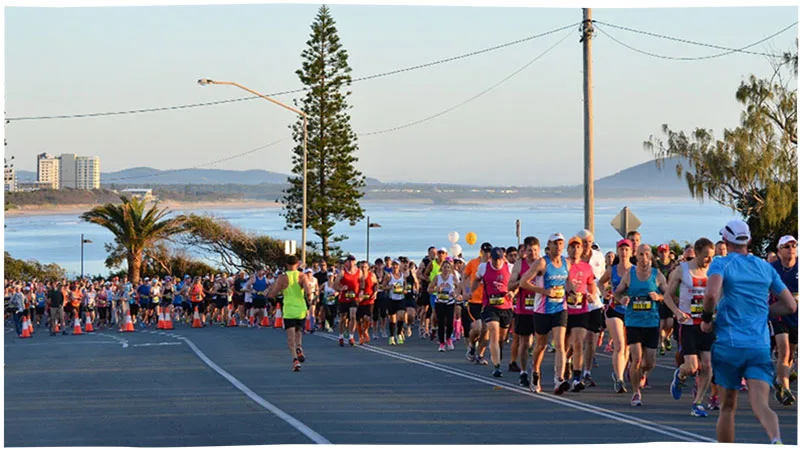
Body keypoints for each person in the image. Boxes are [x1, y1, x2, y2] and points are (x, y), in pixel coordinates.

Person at [702, 220, 796, 444]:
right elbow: (791, 306)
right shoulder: (765, 266)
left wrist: (706, 319)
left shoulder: (721, 263)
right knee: (761, 406)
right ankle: (775, 439)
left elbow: (711, 295)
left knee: (727, 407)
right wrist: (764, 312)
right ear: (749, 241)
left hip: (729, 344)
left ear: (726, 241)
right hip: (759, 345)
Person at [664, 237, 716, 417]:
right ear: (697, 252)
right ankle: (679, 375)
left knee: (708, 365)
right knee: (692, 367)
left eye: (712, 256)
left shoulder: (713, 271)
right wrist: (677, 312)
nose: (709, 260)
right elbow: (667, 297)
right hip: (687, 324)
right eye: (706, 256)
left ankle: (698, 403)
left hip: (706, 323)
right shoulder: (682, 271)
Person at [614, 244, 669, 407]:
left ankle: (641, 372)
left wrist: (658, 297)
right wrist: (621, 299)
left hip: (651, 321)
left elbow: (668, 293)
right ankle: (636, 392)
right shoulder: (629, 275)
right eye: (640, 255)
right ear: (636, 257)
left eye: (646, 254)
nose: (644, 258)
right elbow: (617, 292)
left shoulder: (657, 275)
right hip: (633, 322)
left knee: (650, 362)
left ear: (650, 256)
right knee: (637, 358)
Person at [520, 233, 570, 394]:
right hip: (542, 309)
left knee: (560, 344)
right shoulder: (542, 263)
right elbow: (523, 282)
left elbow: (567, 282)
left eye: (561, 243)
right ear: (549, 245)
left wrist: (573, 291)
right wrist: (544, 291)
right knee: (541, 345)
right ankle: (535, 371)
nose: (558, 247)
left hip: (560, 308)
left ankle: (559, 379)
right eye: (555, 244)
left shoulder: (566, 262)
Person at [471, 247, 514, 378]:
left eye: (499, 259)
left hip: (506, 307)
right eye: (495, 259)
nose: (497, 262)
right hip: (490, 306)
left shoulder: (510, 268)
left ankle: (498, 353)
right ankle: (497, 366)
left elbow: (517, 284)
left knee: (502, 338)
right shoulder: (484, 267)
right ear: (491, 258)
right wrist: (470, 293)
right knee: (493, 333)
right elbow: (476, 280)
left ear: (503, 257)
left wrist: (513, 292)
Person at [598, 239, 633, 393]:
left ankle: (619, 373)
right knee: (619, 344)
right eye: (621, 249)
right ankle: (619, 380)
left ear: (631, 252)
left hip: (631, 311)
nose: (624, 252)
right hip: (614, 310)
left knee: (626, 348)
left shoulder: (635, 270)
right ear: (618, 251)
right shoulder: (612, 270)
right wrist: (604, 292)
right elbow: (600, 283)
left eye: (626, 249)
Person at [268, 255, 313, 372]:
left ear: (286, 265)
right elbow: (308, 291)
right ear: (297, 264)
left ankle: (295, 360)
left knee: (290, 337)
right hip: (301, 309)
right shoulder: (302, 276)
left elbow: (274, 292)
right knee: (299, 331)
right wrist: (310, 300)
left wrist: (269, 296)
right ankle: (299, 347)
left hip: (289, 309)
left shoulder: (283, 278)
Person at [769, 235, 798, 406]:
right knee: (784, 350)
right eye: (787, 246)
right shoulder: (772, 269)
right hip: (778, 313)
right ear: (779, 251)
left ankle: (781, 379)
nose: (791, 249)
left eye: (794, 245)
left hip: (796, 315)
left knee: (791, 354)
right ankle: (785, 389)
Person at [508, 236, 540, 387]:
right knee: (525, 342)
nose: (533, 253)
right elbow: (510, 285)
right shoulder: (520, 264)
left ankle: (535, 370)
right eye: (530, 250)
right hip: (523, 309)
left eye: (535, 250)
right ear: (525, 251)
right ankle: (523, 372)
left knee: (540, 343)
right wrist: (521, 282)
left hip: (541, 308)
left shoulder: (543, 264)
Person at [577, 229, 606, 388]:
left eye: (589, 241)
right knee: (576, 340)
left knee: (591, 339)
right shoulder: (572, 259)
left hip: (594, 303)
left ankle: (586, 372)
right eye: (584, 242)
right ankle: (570, 365)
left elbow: (602, 279)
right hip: (576, 304)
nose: (587, 245)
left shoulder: (599, 257)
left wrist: (602, 294)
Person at [430, 258, 459, 351]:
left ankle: (449, 339)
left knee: (450, 323)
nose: (446, 269)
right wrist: (436, 289)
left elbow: (459, 288)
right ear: (441, 268)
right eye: (444, 267)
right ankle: (442, 343)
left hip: (450, 302)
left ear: (450, 269)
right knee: (441, 323)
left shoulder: (453, 278)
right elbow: (429, 289)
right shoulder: (437, 277)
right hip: (440, 302)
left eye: (448, 267)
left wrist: (455, 294)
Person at [654, 244, 678, 356]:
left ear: (669, 252)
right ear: (658, 253)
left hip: (671, 295)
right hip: (659, 295)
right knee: (661, 322)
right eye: (661, 252)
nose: (663, 254)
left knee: (670, 322)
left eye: (665, 251)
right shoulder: (656, 264)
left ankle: (667, 337)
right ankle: (662, 343)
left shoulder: (673, 264)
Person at [334, 255, 361, 347]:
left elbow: (363, 282)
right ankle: (341, 336)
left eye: (352, 261)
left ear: (355, 262)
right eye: (349, 261)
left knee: (353, 316)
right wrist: (341, 288)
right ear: (346, 262)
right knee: (343, 318)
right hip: (344, 298)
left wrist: (361, 291)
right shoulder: (342, 272)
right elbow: (335, 285)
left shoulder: (358, 272)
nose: (351, 263)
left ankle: (351, 336)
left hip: (354, 297)